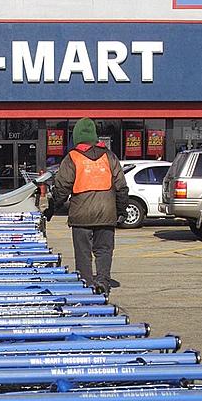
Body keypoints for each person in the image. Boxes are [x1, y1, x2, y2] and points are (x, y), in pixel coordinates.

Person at [43, 118, 128, 295]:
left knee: (83, 254)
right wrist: (121, 211)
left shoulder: (72, 157)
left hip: (81, 216)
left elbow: (61, 188)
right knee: (104, 251)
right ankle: (103, 283)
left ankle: (87, 286)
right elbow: (121, 187)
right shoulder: (109, 156)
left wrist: (51, 209)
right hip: (106, 214)